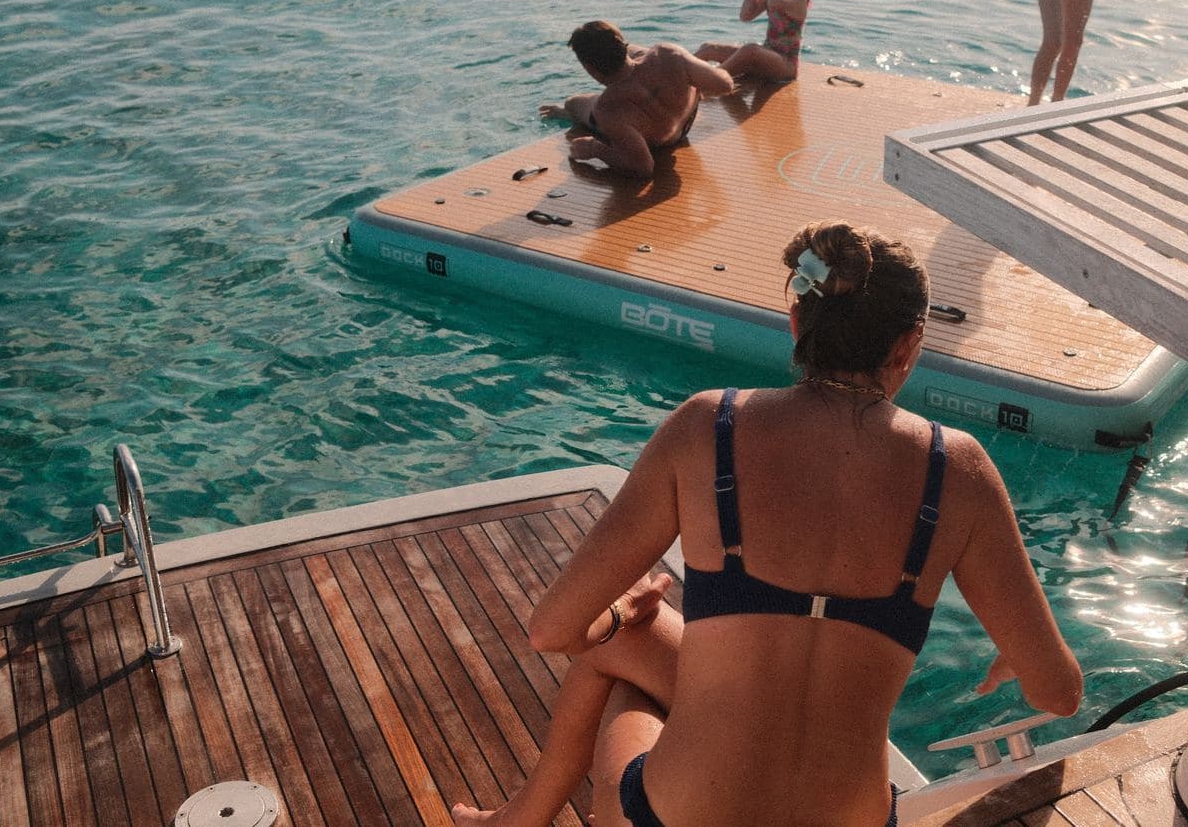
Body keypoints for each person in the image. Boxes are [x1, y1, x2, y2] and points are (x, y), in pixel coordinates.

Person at [450, 220, 1082, 827]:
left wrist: (619, 613)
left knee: (617, 652)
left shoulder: (707, 428)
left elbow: (552, 630)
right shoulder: (960, 470)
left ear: (797, 321)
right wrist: (1017, 654)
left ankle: (517, 820)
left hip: (674, 819)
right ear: (909, 346)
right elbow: (1060, 694)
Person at [541, 20, 735, 179]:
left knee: (573, 104)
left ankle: (564, 111)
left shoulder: (607, 109)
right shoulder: (668, 53)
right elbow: (725, 84)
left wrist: (595, 149)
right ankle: (629, 59)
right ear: (622, 44)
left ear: (589, 68)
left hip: (659, 139)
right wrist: (691, 75)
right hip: (685, 120)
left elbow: (642, 167)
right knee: (645, 53)